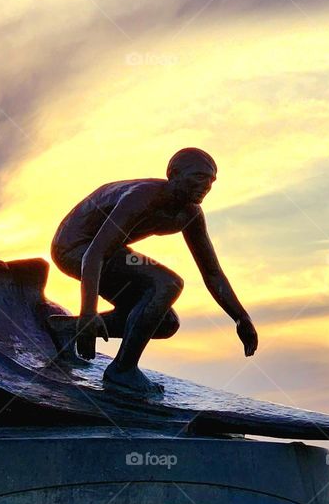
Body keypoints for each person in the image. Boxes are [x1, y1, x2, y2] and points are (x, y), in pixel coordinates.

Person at [51, 148, 258, 396]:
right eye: (199, 177)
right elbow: (94, 253)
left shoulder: (190, 213)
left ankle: (65, 329)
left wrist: (240, 317)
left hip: (106, 252)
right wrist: (88, 313)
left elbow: (212, 273)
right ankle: (122, 370)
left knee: (165, 322)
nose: (206, 186)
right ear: (174, 174)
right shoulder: (141, 197)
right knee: (168, 283)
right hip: (75, 248)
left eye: (211, 181)